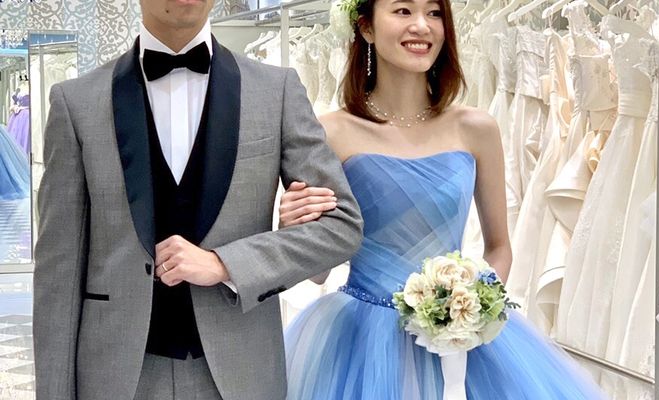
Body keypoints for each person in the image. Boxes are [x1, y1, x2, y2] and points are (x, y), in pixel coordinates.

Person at [32, 0, 363, 398]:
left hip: (241, 370)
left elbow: (341, 227)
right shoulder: (76, 103)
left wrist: (227, 264)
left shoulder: (276, 90)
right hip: (115, 374)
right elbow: (58, 272)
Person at [279, 0, 608, 398]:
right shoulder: (331, 132)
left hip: (460, 339)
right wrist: (295, 228)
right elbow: (318, 273)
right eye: (403, 11)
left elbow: (499, 247)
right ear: (366, 27)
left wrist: (473, 306)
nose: (422, 26)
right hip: (360, 340)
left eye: (434, 13)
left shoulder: (476, 128)